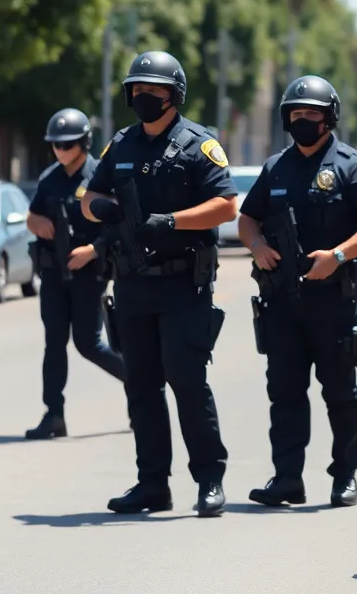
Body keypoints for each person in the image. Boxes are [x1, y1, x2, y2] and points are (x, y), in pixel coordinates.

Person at [80, 51, 239, 516]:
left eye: (153, 89)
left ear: (174, 95)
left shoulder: (197, 144)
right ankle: (152, 483)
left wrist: (171, 222)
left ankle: (210, 479)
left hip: (182, 286)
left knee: (187, 381)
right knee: (141, 385)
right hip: (132, 284)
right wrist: (100, 209)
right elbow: (91, 195)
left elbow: (226, 206)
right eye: (137, 89)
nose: (143, 96)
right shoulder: (122, 144)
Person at [238, 75, 357, 509]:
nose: (302, 120)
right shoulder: (275, 168)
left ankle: (344, 476)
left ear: (329, 118)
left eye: (311, 113)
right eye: (295, 113)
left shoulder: (352, 165)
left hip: (333, 300)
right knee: (284, 392)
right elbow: (247, 218)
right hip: (281, 301)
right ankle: (287, 478)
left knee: (340, 392)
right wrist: (257, 247)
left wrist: (340, 255)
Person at [24, 108, 125, 440]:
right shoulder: (49, 177)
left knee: (89, 344)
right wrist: (37, 224)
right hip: (54, 275)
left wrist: (91, 251)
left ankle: (141, 388)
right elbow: (33, 216)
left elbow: (117, 227)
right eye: (56, 145)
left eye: (67, 145)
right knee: (54, 343)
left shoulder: (99, 176)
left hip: (88, 274)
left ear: (84, 143)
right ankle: (53, 414)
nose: (60, 151)